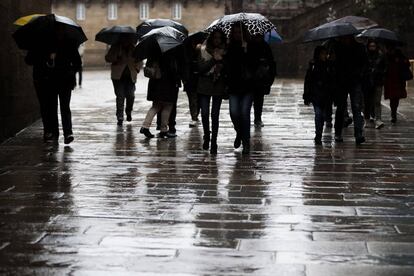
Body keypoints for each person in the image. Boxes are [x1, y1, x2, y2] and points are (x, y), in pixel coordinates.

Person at [25, 30, 81, 144]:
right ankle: (54, 134)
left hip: (64, 80)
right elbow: (29, 60)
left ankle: (67, 133)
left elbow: (77, 62)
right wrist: (46, 57)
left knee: (64, 107)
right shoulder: (40, 43)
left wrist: (71, 72)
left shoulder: (69, 43)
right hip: (49, 81)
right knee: (52, 107)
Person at [331, 36, 367, 144]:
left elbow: (364, 63)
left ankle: (358, 134)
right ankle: (338, 133)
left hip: (355, 80)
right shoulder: (336, 47)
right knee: (341, 108)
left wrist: (360, 74)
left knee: (356, 107)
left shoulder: (359, 48)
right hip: (341, 82)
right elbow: (334, 65)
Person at [196, 30, 227, 154]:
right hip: (204, 85)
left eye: (219, 38)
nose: (217, 40)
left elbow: (227, 69)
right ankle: (207, 136)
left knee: (215, 115)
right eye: (215, 38)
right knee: (204, 113)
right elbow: (201, 69)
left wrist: (221, 61)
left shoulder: (225, 52)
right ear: (211, 39)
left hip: (218, 85)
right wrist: (214, 59)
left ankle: (214, 141)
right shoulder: (203, 51)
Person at [225, 24, 253, 154]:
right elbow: (228, 65)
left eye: (239, 32)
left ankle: (246, 142)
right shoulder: (229, 47)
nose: (237, 35)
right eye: (235, 32)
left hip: (248, 86)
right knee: (234, 112)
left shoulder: (250, 46)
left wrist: (246, 51)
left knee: (244, 113)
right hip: (233, 86)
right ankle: (240, 133)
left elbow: (254, 64)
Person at [140, 50, 182, 139]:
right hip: (168, 82)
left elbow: (149, 66)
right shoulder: (171, 52)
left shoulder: (153, 52)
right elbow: (174, 69)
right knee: (168, 106)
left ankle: (145, 126)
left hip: (155, 83)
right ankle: (163, 130)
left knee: (156, 106)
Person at [105, 34, 141, 126]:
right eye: (124, 39)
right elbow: (108, 58)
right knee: (120, 96)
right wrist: (116, 56)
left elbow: (139, 59)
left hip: (130, 76)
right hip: (118, 76)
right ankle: (120, 116)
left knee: (131, 96)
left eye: (127, 39)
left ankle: (128, 111)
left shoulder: (134, 48)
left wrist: (137, 68)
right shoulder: (115, 47)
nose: (125, 41)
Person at [303, 45, 333, 144]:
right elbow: (307, 81)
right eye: (322, 54)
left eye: (325, 54)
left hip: (326, 95)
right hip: (316, 95)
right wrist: (307, 96)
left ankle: (319, 133)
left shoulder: (329, 66)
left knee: (323, 116)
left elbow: (333, 80)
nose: (324, 56)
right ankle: (318, 135)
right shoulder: (313, 66)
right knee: (318, 114)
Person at [250, 34, 276, 128]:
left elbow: (271, 62)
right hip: (250, 78)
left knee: (259, 99)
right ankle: (248, 118)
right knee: (249, 99)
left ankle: (258, 118)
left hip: (261, 79)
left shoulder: (265, 46)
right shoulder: (248, 45)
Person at [384, 45, 411, 124]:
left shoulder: (400, 56)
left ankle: (393, 113)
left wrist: (401, 61)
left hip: (398, 80)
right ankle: (393, 113)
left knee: (396, 98)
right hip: (390, 80)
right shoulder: (387, 56)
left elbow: (407, 64)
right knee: (393, 98)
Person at [362, 40, 385, 129]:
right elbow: (361, 67)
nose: (372, 48)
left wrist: (380, 73)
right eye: (370, 46)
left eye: (374, 46)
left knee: (377, 101)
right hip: (367, 81)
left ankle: (378, 119)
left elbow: (385, 67)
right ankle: (367, 119)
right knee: (367, 102)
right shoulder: (364, 56)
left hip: (377, 81)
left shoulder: (381, 55)